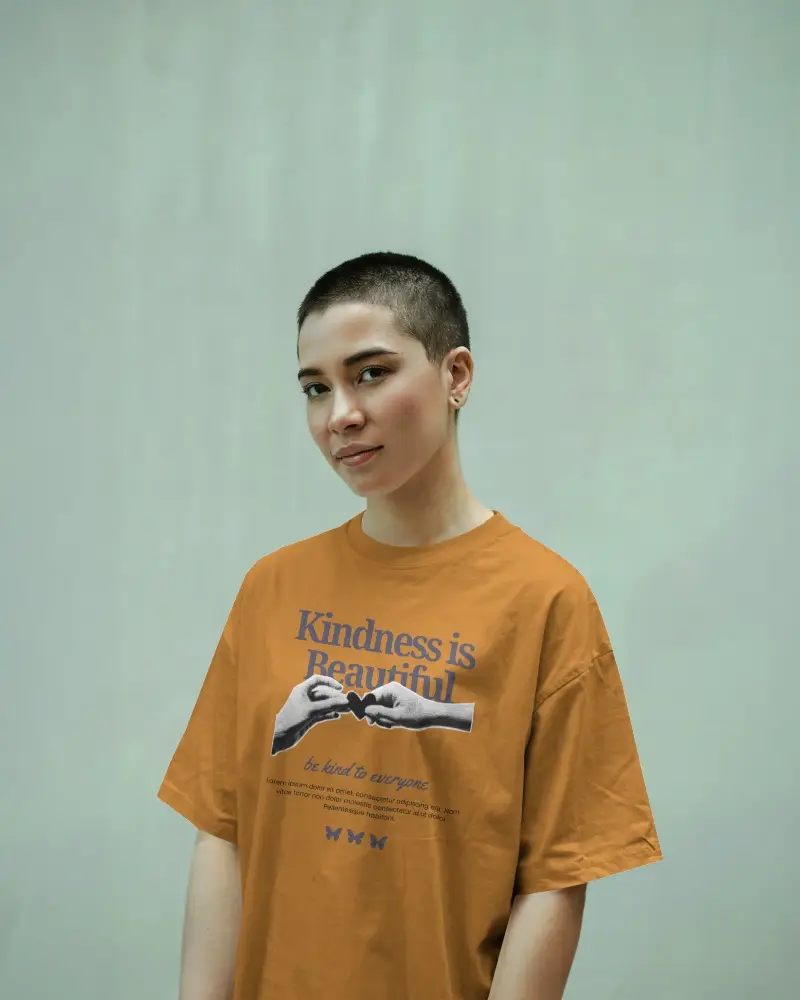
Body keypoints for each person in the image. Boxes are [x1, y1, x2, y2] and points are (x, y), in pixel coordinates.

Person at [158, 251, 663, 1000]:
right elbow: (221, 831)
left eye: (370, 373)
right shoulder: (273, 587)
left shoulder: (546, 599)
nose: (339, 416)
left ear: (455, 375)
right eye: (314, 388)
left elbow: (556, 878)